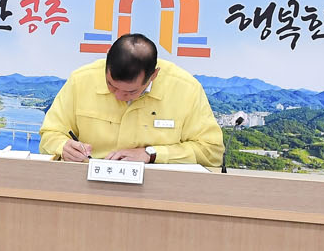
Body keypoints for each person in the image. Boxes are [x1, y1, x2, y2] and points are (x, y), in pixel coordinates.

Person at [40, 33, 222, 167]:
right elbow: (50, 133)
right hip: (87, 181)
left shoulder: (186, 89)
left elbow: (211, 151)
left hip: (159, 187)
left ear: (154, 75)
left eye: (131, 91)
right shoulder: (81, 80)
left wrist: (152, 154)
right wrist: (63, 146)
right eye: (111, 85)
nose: (118, 96)